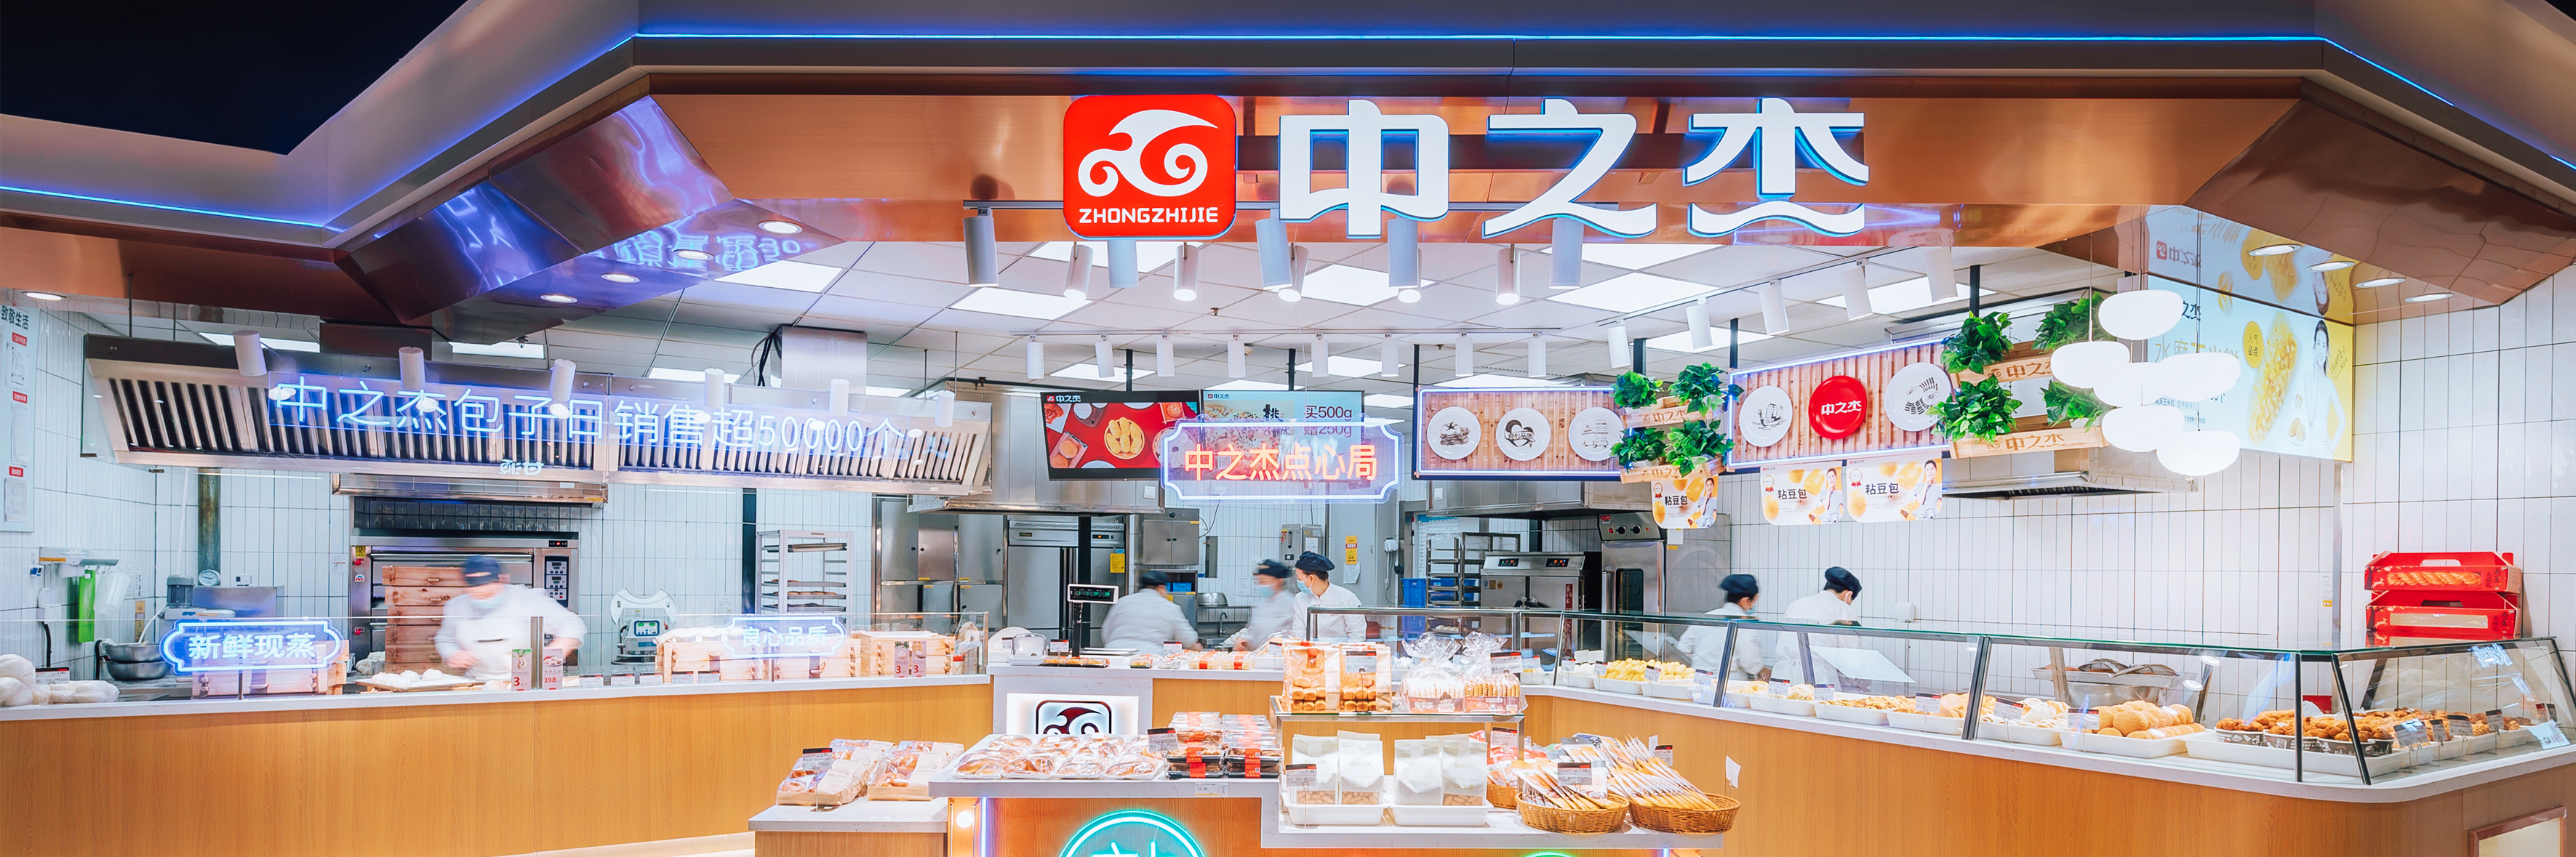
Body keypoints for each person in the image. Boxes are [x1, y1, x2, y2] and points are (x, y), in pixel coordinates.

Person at [433, 557, 586, 682]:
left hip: (526, 682)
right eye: (476, 594)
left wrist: (550, 656)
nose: (482, 597)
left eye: (488, 592)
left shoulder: (527, 598)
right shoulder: (456, 606)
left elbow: (572, 624)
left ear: (503, 580)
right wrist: (453, 654)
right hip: (478, 681)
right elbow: (445, 639)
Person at [1773, 567, 1864, 686]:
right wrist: (1861, 676)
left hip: (1782, 675)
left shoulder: (1797, 603)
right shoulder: (1844, 609)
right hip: (1818, 678)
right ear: (1848, 595)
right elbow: (1851, 657)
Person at [1673, 574, 1771, 680]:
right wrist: (1762, 670)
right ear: (1745, 601)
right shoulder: (1744, 623)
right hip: (1729, 681)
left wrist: (1703, 663)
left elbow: (1683, 649)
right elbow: (1749, 661)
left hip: (1699, 678)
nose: (1754, 605)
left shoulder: (1706, 617)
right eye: (1755, 601)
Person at [1101, 569, 1199, 653]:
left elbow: (1106, 633)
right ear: (1161, 587)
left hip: (1113, 654)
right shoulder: (1169, 607)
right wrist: (1196, 647)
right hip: (1148, 656)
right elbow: (1187, 639)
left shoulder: (1123, 602)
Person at [1223, 560, 1300, 651]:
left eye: (1264, 582)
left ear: (1279, 581)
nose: (1261, 585)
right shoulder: (1259, 606)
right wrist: (1247, 640)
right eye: (1260, 582)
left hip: (1282, 654)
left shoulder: (1292, 603)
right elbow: (1254, 633)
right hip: (1260, 654)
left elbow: (1296, 635)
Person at [1289, 552, 1365, 641]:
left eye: (1299, 578)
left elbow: (1357, 635)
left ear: (1311, 579)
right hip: (1310, 649)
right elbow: (1298, 633)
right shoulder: (1300, 599)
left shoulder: (1346, 598)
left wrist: (1342, 650)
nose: (1298, 582)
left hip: (1339, 649)